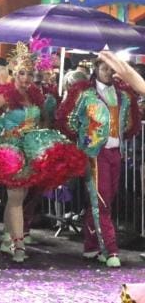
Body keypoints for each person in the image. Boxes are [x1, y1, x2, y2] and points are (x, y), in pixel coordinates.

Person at [0, 42, 86, 263]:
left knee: (19, 198)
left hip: (31, 149)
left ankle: (6, 238)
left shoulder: (35, 96)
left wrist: (38, 132)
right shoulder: (5, 96)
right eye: (21, 73)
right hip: (12, 152)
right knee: (15, 197)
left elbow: (42, 118)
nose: (26, 78)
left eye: (29, 73)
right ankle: (19, 244)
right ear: (14, 73)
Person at [57, 57, 140, 268]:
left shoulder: (123, 96)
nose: (109, 73)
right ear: (96, 69)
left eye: (112, 69)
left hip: (115, 153)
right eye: (105, 68)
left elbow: (130, 123)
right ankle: (110, 249)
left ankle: (91, 245)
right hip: (95, 153)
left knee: (104, 201)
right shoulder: (85, 94)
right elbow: (68, 120)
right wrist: (86, 141)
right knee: (101, 202)